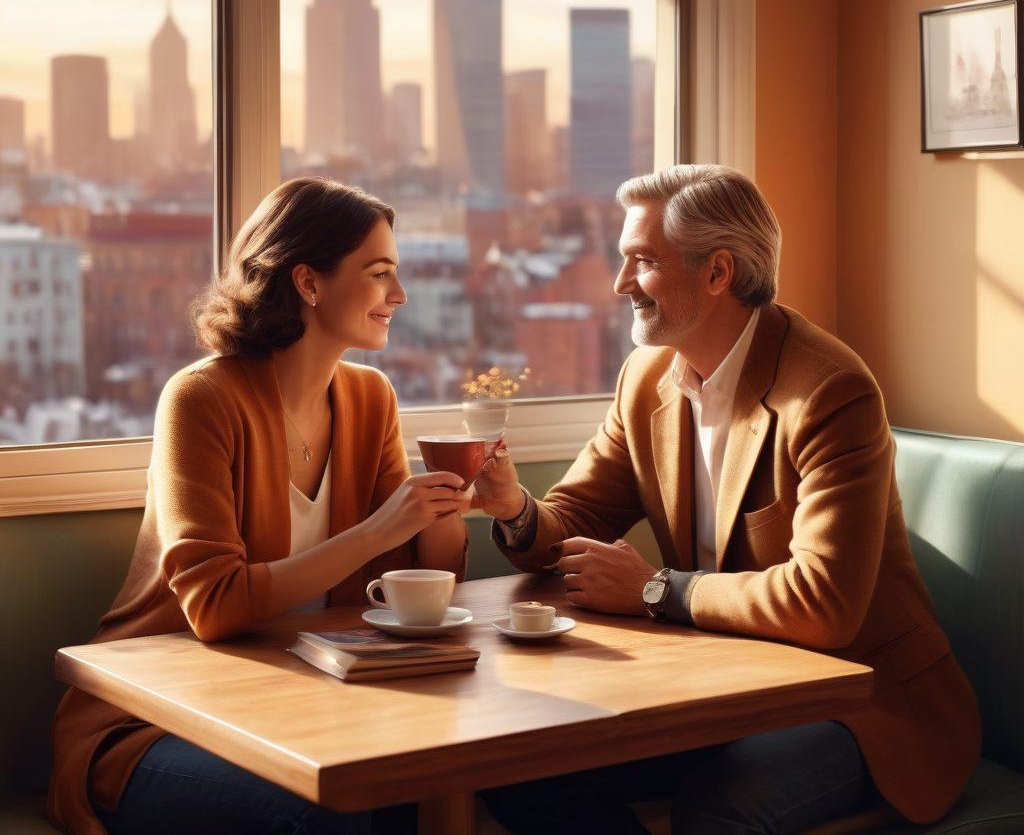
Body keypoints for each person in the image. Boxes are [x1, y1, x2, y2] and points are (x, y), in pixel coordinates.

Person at [473, 164, 980, 835]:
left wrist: (656, 589)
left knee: (721, 807)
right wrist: (514, 505)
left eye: (642, 262)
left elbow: (824, 605)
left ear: (718, 273)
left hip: (866, 702)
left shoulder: (829, 392)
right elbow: (575, 519)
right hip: (728, 687)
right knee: (521, 772)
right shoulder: (648, 377)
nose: (620, 284)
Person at [49, 178, 471, 835]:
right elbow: (215, 608)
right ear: (308, 283)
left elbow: (403, 582)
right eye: (379, 273)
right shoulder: (202, 399)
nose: (400, 295)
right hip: (160, 722)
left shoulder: (370, 398)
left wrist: (446, 509)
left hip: (302, 703)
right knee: (329, 813)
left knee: (435, 785)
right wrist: (377, 529)